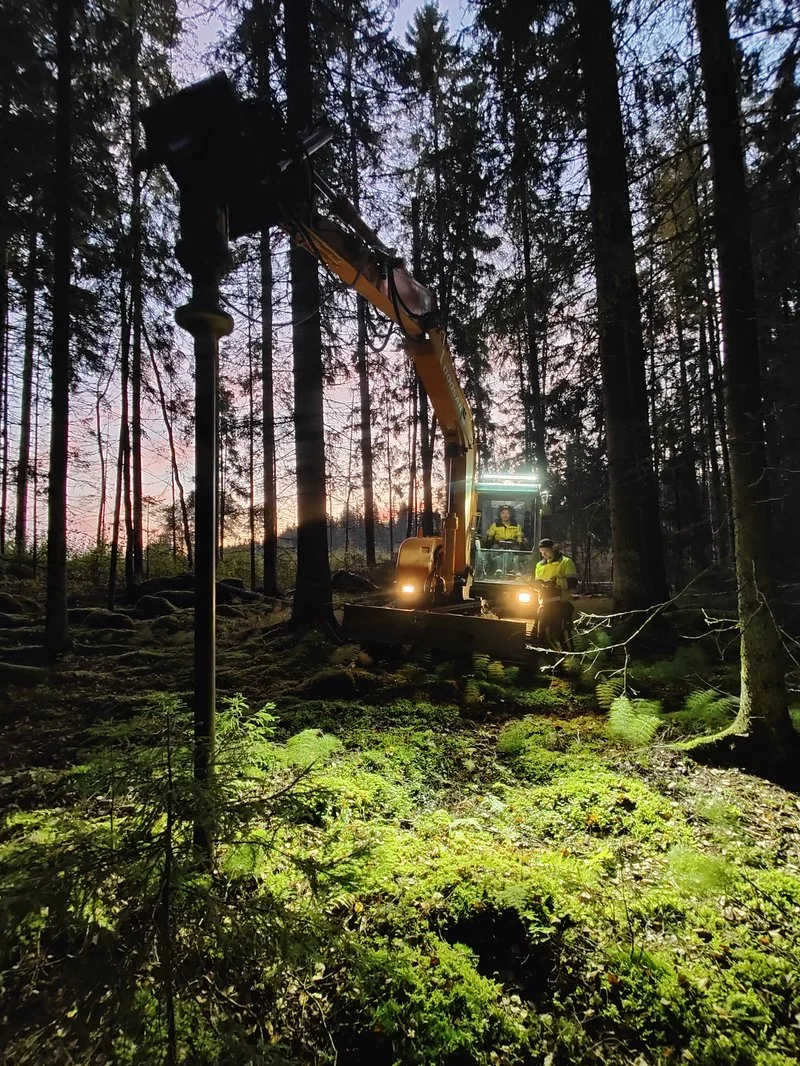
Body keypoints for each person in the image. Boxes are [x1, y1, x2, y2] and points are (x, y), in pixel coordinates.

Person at [534, 539, 578, 649]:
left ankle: (569, 661)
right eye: (541, 552)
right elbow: (538, 583)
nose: (544, 555)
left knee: (561, 635)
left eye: (546, 552)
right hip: (544, 605)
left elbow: (573, 582)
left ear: (552, 549)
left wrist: (556, 583)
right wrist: (536, 586)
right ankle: (549, 661)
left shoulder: (566, 562)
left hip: (561, 605)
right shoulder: (539, 565)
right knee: (542, 636)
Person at [483, 505, 524, 577]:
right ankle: (498, 569)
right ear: (499, 514)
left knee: (516, 554)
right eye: (503, 513)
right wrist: (487, 539)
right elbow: (490, 536)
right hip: (499, 544)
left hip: (512, 544)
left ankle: (516, 570)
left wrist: (521, 543)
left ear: (511, 515)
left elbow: (519, 536)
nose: (505, 515)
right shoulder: (495, 525)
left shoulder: (516, 526)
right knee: (496, 552)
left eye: (507, 513)